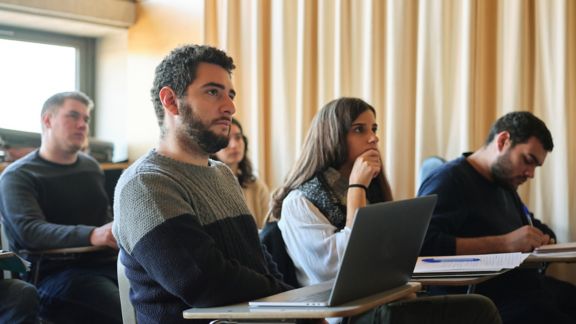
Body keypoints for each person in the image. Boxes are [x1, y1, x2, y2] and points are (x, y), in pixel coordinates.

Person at [271, 97, 502, 324]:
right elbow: (333, 271)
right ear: (332, 136)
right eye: (359, 130)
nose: (374, 138)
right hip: (347, 316)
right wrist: (356, 188)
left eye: (374, 128)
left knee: (480, 304)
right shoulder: (300, 202)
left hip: (383, 300)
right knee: (479, 310)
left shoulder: (372, 190)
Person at [112, 44, 290, 323]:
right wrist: (285, 297)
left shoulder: (222, 174)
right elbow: (204, 284)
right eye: (212, 92)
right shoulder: (145, 185)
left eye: (230, 95)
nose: (230, 106)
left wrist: (297, 304)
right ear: (170, 101)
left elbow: (260, 260)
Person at [417, 111, 576, 324]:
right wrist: (504, 243)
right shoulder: (449, 180)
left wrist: (545, 236)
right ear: (503, 141)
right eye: (527, 160)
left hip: (529, 290)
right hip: (489, 301)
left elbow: (530, 224)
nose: (530, 174)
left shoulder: (504, 183)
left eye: (535, 166)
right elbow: (424, 245)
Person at [0, 91, 121, 323]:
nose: (82, 125)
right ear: (47, 120)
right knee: (125, 311)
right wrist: (93, 234)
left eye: (86, 119)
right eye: (73, 116)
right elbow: (30, 232)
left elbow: (104, 219)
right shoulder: (19, 176)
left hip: (108, 264)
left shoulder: (91, 167)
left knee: (164, 295)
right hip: (56, 275)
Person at [212, 118, 270, 228]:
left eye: (238, 138)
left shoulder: (256, 186)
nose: (234, 145)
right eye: (226, 139)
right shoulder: (206, 187)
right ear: (213, 147)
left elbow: (268, 232)